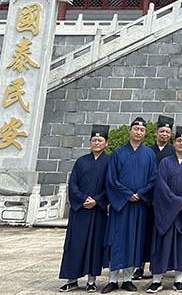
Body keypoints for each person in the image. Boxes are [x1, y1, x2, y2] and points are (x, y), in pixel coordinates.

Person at [102, 117, 157, 293]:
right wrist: (126, 195)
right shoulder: (117, 153)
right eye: (136, 129)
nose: (138, 132)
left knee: (134, 240)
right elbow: (111, 179)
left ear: (145, 133)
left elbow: (153, 179)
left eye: (142, 130)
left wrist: (140, 194)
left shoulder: (149, 154)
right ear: (130, 130)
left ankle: (127, 278)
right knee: (117, 240)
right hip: (121, 206)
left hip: (139, 205)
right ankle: (112, 279)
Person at [147, 127, 182, 294]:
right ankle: (157, 280)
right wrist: (176, 202)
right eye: (179, 140)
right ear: (174, 143)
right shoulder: (165, 162)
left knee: (181, 246)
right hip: (167, 210)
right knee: (161, 244)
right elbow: (161, 185)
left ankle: (179, 279)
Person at [59, 124, 110, 293]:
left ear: (106, 143)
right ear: (90, 142)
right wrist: (83, 199)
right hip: (80, 211)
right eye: (94, 140)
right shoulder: (81, 161)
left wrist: (97, 200)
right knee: (75, 244)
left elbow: (111, 186)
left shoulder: (110, 162)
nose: (97, 143)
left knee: (94, 246)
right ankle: (71, 279)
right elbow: (72, 184)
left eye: (100, 140)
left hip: (97, 211)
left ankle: (91, 280)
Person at [136, 115, 176, 280]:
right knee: (144, 232)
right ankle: (139, 266)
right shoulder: (147, 151)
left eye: (167, 132)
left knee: (160, 234)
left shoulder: (173, 152)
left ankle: (159, 267)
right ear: (156, 133)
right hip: (148, 198)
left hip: (165, 200)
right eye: (162, 131)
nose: (164, 134)